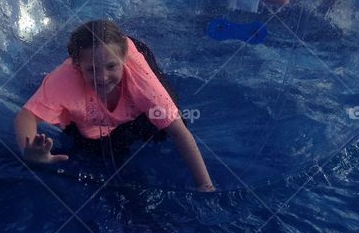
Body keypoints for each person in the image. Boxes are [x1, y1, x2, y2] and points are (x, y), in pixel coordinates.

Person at [14, 20, 215, 192]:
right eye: (92, 70)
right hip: (102, 61)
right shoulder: (66, 79)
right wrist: (29, 151)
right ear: (77, 66)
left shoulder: (142, 83)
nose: (102, 77)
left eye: (111, 67)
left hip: (129, 65)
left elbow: (179, 131)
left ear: (124, 60)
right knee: (93, 147)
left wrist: (206, 186)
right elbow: (27, 116)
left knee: (162, 127)